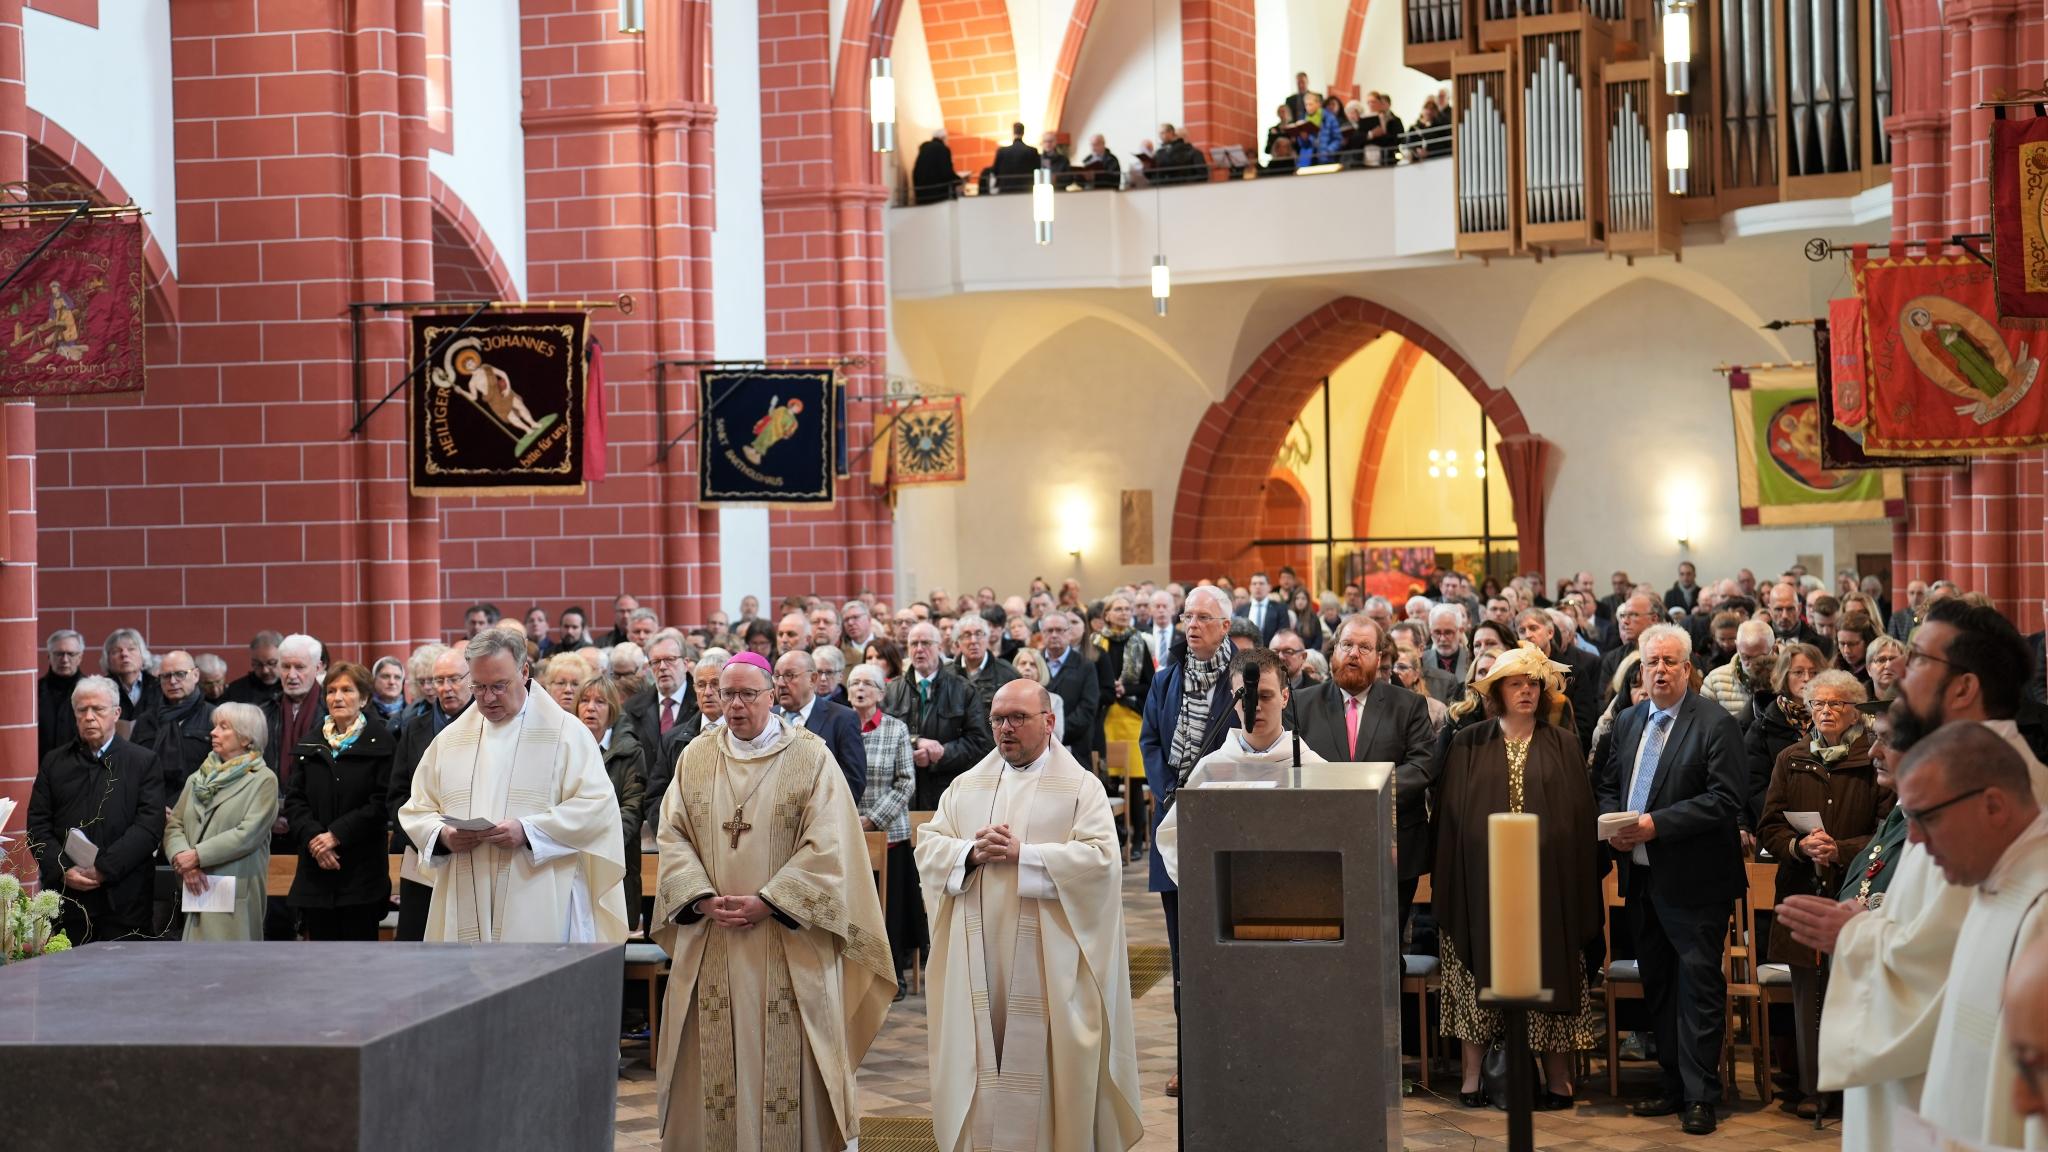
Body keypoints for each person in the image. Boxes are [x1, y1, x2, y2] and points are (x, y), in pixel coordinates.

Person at [649, 650, 895, 1151]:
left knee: (795, 1057)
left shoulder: (811, 757)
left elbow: (830, 845)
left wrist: (771, 901)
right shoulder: (695, 756)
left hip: (789, 940)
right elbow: (672, 835)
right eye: (726, 694)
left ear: (772, 696)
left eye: (747, 694)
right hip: (712, 935)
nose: (735, 706)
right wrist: (700, 897)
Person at [916, 678, 1143, 1152]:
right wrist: (970, 853)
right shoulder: (966, 786)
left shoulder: (1081, 788)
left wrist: (1027, 854)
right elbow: (930, 847)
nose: (1006, 728)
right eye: (998, 719)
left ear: (1048, 722)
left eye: (1018, 718)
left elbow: (1102, 861)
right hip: (979, 957)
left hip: (1049, 962)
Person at [1595, 623, 1747, 1134]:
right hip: (1641, 879)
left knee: (1698, 988)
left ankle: (1701, 1095)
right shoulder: (1629, 719)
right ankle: (1673, 1084)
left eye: (1669, 662)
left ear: (1687, 668)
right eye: (1651, 663)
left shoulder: (1715, 723)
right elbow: (1610, 784)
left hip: (1696, 882)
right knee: (1658, 985)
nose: (1659, 671)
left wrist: (1655, 825)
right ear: (1640, 670)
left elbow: (1725, 800)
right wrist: (1614, 825)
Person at [1434, 643, 1600, 1110]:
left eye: (1532, 684)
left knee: (1551, 968)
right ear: (1498, 693)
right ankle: (1473, 1077)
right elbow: (1451, 817)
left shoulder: (1563, 743)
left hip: (1548, 887)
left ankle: (1558, 1079)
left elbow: (1578, 817)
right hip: (1481, 885)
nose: (1525, 691)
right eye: (1515, 684)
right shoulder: (1469, 743)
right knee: (1474, 972)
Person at [400, 628, 629, 943]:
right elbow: (417, 809)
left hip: (540, 890)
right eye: (478, 686)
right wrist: (444, 836)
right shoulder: (450, 740)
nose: (487, 697)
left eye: (499, 685)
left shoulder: (565, 734)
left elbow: (598, 808)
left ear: (524, 672)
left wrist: (528, 831)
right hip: (466, 889)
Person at [1897, 726, 2048, 1145]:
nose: (1914, 839)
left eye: (1928, 817)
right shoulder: (1995, 881)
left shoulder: (2040, 905)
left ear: (1993, 805)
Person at [1756, 670, 1889, 1118]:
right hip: (1803, 889)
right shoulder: (1791, 758)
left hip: (1855, 892)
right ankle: (1813, 1088)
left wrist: (1841, 850)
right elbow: (1770, 824)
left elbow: (1886, 830)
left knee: (1855, 996)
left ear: (1855, 712)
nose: (1826, 711)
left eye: (1836, 704)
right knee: (1808, 998)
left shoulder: (1871, 758)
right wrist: (1799, 846)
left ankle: (1855, 1091)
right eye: (1818, 704)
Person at [1139, 585, 1240, 1098]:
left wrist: (1204, 790)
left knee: (1227, 949)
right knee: (1184, 956)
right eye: (1187, 617)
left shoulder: (1243, 677)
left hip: (1225, 825)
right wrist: (1169, 791)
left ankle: (1235, 1055)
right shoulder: (1166, 678)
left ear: (1226, 626)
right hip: (1174, 824)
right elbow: (1150, 741)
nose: (1192, 625)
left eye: (1203, 618)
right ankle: (1190, 1058)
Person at [1291, 615, 1437, 926]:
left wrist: (1369, 791)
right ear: (1334, 651)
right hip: (1322, 845)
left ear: (1379, 657)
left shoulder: (1408, 705)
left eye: (1364, 647)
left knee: (1387, 938)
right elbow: (1291, 768)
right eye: (1346, 645)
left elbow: (1422, 765)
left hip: (1393, 847)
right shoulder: (1301, 705)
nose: (1354, 654)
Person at [1158, 647, 1328, 883]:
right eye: (1245, 696)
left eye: (1265, 696)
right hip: (1223, 892)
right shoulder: (1209, 769)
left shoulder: (1315, 768)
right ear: (1233, 698)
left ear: (1285, 697)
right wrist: (1209, 883)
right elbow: (1173, 835)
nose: (1255, 706)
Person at [27, 675, 165, 944]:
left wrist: (103, 868)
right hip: (68, 897)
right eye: (82, 710)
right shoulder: (54, 762)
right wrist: (63, 868)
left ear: (116, 713)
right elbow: (37, 826)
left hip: (125, 899)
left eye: (98, 709)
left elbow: (149, 827)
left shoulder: (143, 761)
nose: (89, 717)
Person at [283, 662, 394, 941]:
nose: (337, 697)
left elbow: (382, 802)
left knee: (360, 958)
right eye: (331, 691)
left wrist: (336, 835)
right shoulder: (310, 743)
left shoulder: (382, 742)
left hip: (361, 872)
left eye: (347, 690)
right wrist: (315, 840)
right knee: (322, 958)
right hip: (317, 869)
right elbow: (295, 800)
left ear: (364, 698)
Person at [163, 702, 278, 942]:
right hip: (194, 884)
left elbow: (247, 834)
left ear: (246, 738)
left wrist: (197, 855)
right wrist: (185, 861)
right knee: (193, 959)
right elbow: (175, 824)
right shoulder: (198, 777)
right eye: (215, 726)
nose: (213, 732)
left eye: (223, 727)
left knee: (231, 960)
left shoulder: (263, 780)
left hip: (234, 889)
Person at [390, 645, 469, 941]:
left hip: (471, 851)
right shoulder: (414, 729)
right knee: (418, 941)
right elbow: (397, 795)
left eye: (454, 679)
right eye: (439, 680)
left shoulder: (489, 725)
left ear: (471, 679)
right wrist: (428, 834)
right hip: (422, 852)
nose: (446, 688)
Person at [847, 662, 917, 998]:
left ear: (880, 693)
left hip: (888, 834)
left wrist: (872, 820)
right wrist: (848, 819)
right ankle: (857, 977)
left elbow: (905, 782)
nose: (860, 688)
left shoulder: (895, 729)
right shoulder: (840, 725)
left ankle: (892, 976)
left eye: (867, 683)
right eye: (854, 683)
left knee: (889, 910)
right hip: (847, 833)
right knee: (855, 910)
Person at [884, 621, 993, 808]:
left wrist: (941, 754)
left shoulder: (964, 690)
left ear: (940, 647)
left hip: (947, 792)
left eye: (926, 643)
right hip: (902, 795)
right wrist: (914, 742)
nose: (919, 649)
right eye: (914, 644)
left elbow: (979, 743)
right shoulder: (891, 690)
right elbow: (882, 737)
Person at [575, 674, 647, 937]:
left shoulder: (630, 751)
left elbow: (633, 807)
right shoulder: (567, 747)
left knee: (611, 940)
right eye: (585, 700)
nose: (590, 708)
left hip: (615, 858)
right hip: (573, 859)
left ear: (612, 709)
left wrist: (601, 840)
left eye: (600, 702)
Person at [1741, 642, 1825, 829]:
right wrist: (1784, 821)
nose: (1807, 679)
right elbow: (1754, 784)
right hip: (1777, 824)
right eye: (1798, 672)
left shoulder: (1832, 721)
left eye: (1814, 672)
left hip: (1828, 821)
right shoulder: (1763, 727)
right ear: (1784, 675)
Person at [774, 648, 868, 799]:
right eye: (777, 676)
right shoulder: (767, 717)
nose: (780, 683)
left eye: (789, 675)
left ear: (812, 679)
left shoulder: (842, 719)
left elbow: (852, 783)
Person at [131, 649, 216, 800]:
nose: (172, 681)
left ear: (196, 675)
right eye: (166, 676)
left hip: (197, 804)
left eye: (180, 674)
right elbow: (133, 768)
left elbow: (218, 773)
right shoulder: (146, 720)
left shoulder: (214, 717)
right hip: (151, 804)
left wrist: (178, 805)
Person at [1037, 610, 1099, 765]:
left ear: (1069, 633)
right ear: (1042, 633)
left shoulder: (1085, 666)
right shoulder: (1034, 663)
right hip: (1037, 749)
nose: (1054, 635)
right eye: (1049, 630)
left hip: (1075, 749)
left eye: (1060, 630)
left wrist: (1055, 731)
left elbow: (1087, 709)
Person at [263, 633, 328, 773]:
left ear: (318, 668)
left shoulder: (332, 712)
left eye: (299, 667)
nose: (291, 675)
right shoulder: (265, 713)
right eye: (286, 666)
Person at [1702, 619, 1775, 716]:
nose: (1751, 664)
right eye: (1745, 657)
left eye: (1759, 658)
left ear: (1773, 649)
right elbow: (1703, 721)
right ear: (1737, 646)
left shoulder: (1786, 680)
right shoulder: (1714, 681)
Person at [37, 628, 83, 758]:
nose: (65, 659)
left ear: (80, 657)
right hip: (42, 765)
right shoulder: (34, 692)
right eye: (59, 654)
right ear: (49, 657)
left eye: (71, 654)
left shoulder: (93, 691)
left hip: (81, 765)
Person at [102, 627, 159, 726]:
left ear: (143, 655)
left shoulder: (158, 686)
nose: (124, 654)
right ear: (108, 659)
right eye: (116, 651)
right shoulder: (100, 688)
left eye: (131, 649)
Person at [222, 630, 284, 705]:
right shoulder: (235, 691)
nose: (265, 671)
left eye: (271, 663)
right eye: (258, 664)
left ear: (284, 659)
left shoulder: (293, 688)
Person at [911, 128, 961, 204]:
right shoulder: (942, 149)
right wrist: (959, 180)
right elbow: (946, 173)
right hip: (937, 194)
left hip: (921, 195)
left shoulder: (925, 149)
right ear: (943, 138)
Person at [991, 121, 1040, 193]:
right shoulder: (1032, 151)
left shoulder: (1002, 151)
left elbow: (995, 171)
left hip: (1006, 189)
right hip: (1026, 189)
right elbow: (1038, 170)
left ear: (1013, 132)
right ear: (1023, 132)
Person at [368, 656, 407, 723]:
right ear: (374, 680)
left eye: (397, 677)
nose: (392, 682)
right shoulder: (362, 715)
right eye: (386, 676)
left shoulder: (414, 714)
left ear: (402, 682)